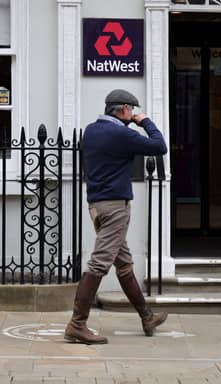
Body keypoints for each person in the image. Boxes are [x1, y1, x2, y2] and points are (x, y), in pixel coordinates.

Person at [65, 89, 168, 345]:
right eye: (131, 110)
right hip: (115, 209)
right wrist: (144, 121)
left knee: (123, 264)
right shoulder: (122, 134)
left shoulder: (91, 130)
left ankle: (147, 317)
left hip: (97, 206)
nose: (133, 114)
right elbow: (159, 146)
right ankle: (77, 324)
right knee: (100, 264)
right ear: (123, 109)